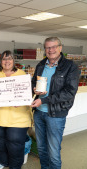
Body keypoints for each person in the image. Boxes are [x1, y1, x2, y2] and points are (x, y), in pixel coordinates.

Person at [31, 37, 79, 169]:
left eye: (53, 47)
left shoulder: (70, 67)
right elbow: (33, 82)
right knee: (41, 148)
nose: (50, 50)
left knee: (53, 151)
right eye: (47, 47)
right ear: (44, 49)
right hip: (39, 113)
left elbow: (69, 92)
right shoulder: (41, 64)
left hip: (56, 115)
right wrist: (34, 89)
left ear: (60, 48)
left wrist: (44, 100)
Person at [0, 50, 31, 169]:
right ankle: (3, 161)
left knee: (15, 143)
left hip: (17, 116)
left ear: (13, 61)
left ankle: (15, 166)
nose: (7, 61)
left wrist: (21, 100)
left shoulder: (22, 74)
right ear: (0, 61)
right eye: (4, 59)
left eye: (9, 58)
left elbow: (27, 95)